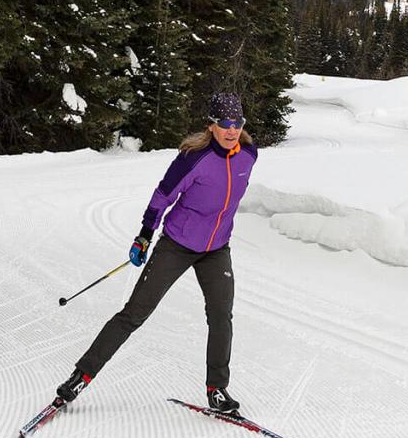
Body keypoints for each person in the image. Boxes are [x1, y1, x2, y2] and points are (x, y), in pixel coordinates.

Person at [55, 92, 257, 414]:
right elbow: (162, 196)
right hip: (177, 244)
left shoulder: (248, 154)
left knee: (221, 316)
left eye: (237, 123)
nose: (232, 130)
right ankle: (81, 376)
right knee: (134, 313)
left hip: (217, 249)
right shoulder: (194, 159)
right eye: (225, 124)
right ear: (212, 125)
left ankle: (217, 390)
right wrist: (145, 236)